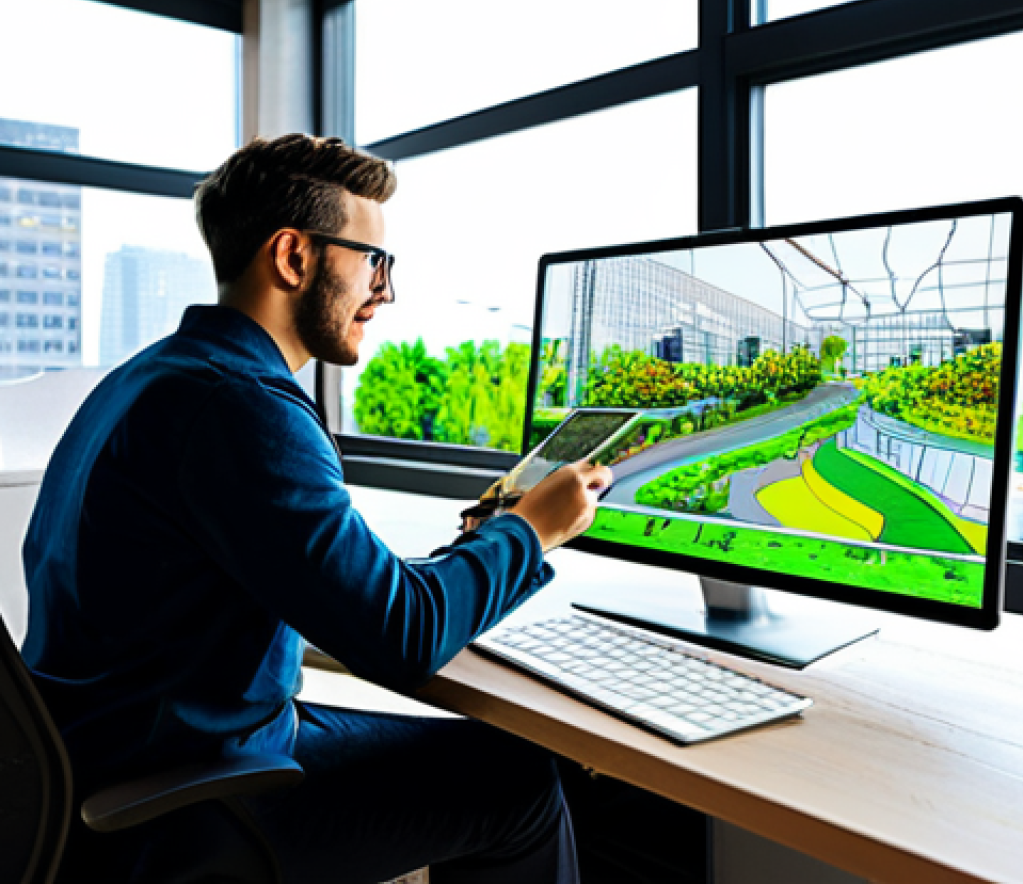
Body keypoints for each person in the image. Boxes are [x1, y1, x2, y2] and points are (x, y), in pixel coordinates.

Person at [21, 133, 613, 883]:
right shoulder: (242, 405)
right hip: (184, 795)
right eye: (374, 261)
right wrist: (533, 530)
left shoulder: (152, 378)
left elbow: (338, 579)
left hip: (121, 753)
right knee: (518, 783)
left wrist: (482, 545)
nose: (386, 290)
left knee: (475, 754)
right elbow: (403, 636)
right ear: (294, 256)